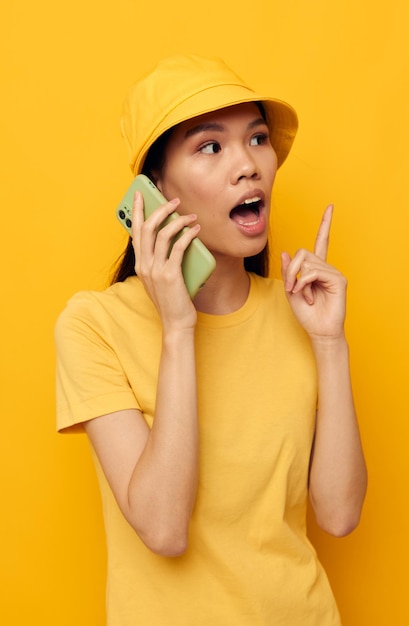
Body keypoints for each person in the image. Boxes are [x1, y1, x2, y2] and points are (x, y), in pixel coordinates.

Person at [55, 54, 367, 625]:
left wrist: (329, 343)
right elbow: (164, 528)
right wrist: (178, 329)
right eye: (210, 147)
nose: (248, 165)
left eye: (257, 139)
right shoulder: (93, 326)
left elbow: (340, 514)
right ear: (152, 192)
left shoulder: (300, 314)